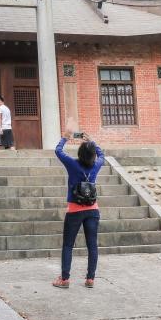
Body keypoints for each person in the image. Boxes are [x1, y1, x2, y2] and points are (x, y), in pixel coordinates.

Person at [52, 123, 104, 289]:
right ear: (92, 155)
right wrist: (93, 142)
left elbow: (58, 151)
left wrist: (66, 137)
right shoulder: (96, 165)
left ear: (80, 153)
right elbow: (102, 155)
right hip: (93, 210)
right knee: (92, 245)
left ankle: (65, 279)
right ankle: (90, 279)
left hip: (75, 210)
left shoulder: (73, 164)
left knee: (68, 244)